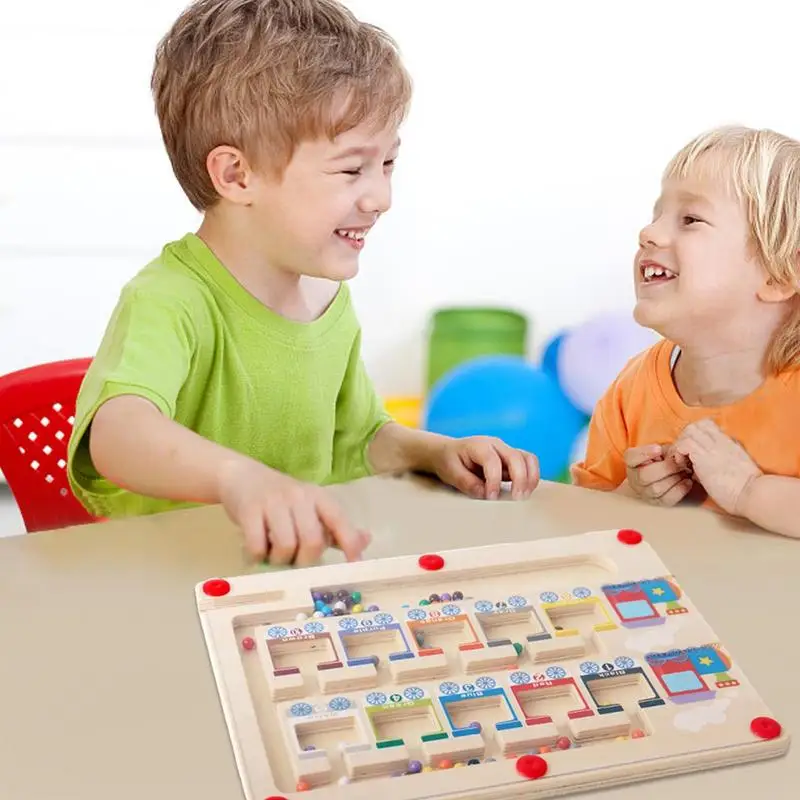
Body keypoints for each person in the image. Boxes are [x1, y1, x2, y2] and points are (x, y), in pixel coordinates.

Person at [66, 0, 540, 566]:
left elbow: (360, 437)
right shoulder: (171, 299)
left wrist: (436, 451)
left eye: (387, 165)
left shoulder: (327, 299)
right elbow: (116, 436)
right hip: (173, 581)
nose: (381, 198)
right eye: (350, 169)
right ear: (237, 175)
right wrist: (238, 479)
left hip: (288, 585)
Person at [571, 125, 800, 539]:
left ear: (781, 275)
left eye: (690, 219)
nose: (649, 233)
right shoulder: (630, 393)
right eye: (656, 215)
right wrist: (630, 497)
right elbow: (587, 522)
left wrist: (750, 491)